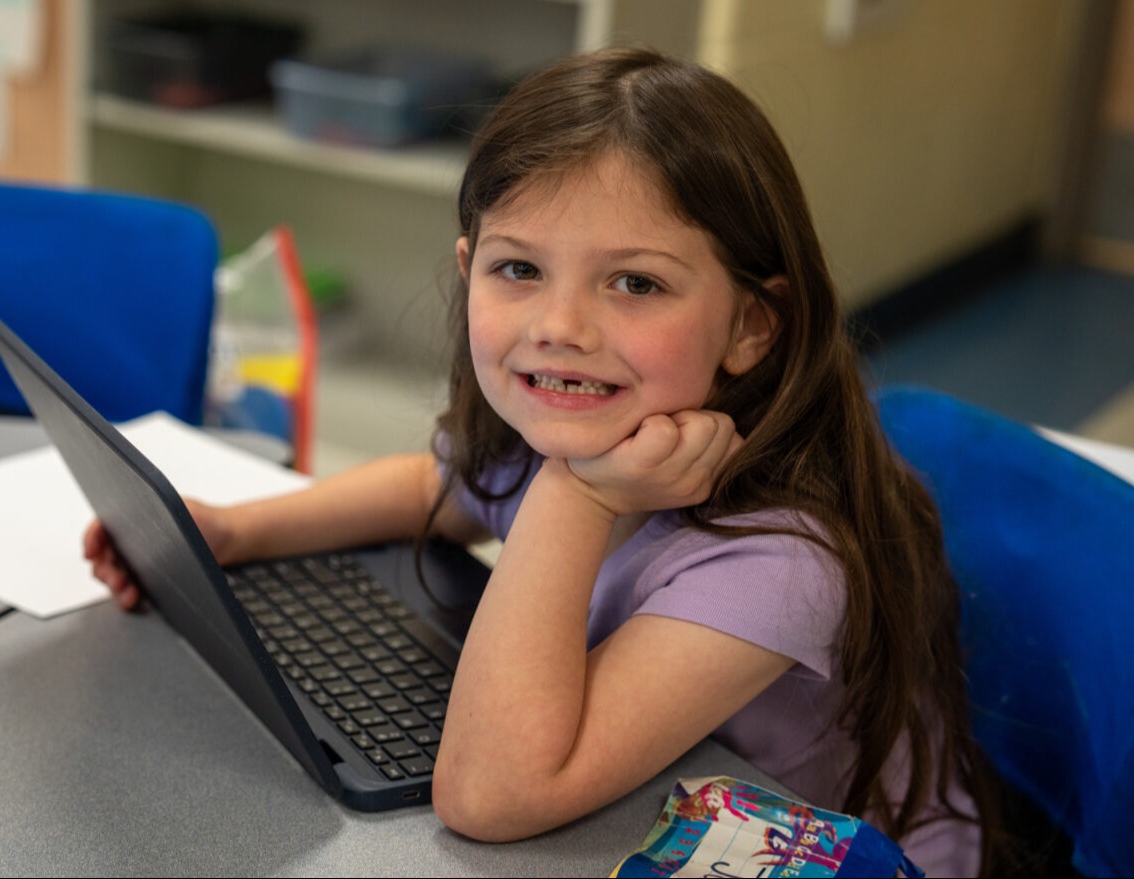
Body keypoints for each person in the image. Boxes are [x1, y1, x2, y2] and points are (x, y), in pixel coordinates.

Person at [85, 47, 1001, 876]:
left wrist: (575, 494)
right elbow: (431, 488)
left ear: (753, 324)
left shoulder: (780, 558)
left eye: (636, 282)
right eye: (518, 269)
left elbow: (492, 795)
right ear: (468, 264)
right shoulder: (583, 427)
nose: (560, 328)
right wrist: (237, 530)